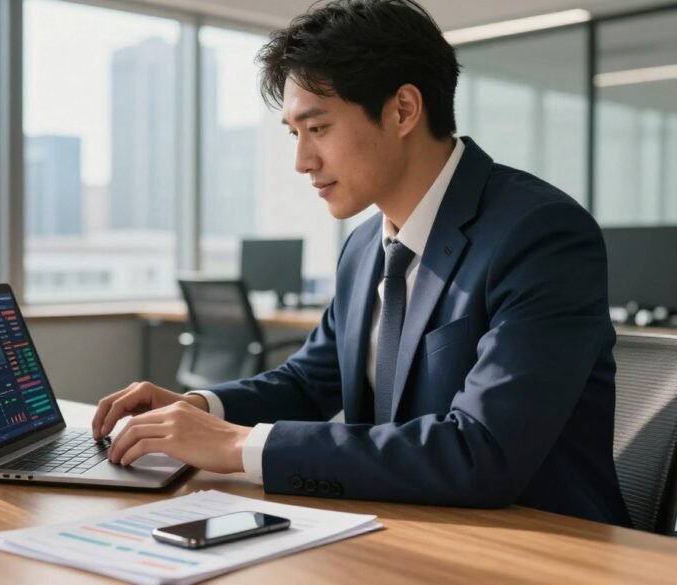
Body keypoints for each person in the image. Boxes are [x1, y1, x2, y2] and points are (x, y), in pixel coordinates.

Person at [91, 0, 631, 526]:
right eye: (294, 134)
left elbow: (481, 450)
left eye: (318, 129)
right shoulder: (364, 245)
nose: (302, 162)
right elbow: (309, 383)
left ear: (402, 110)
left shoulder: (539, 233)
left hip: (540, 545)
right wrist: (201, 410)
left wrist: (238, 444)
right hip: (402, 523)